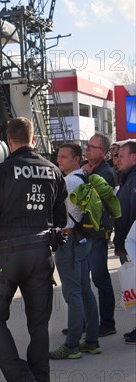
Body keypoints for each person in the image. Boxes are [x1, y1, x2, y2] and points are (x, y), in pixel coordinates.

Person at [0, 117, 67, 382]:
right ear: (32, 138)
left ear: (9, 139)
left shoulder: (3, 171)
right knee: (39, 325)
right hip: (41, 251)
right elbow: (62, 219)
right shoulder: (53, 171)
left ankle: (22, 380)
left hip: (8, 252)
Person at [49, 143, 101, 360]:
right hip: (83, 240)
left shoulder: (69, 181)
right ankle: (92, 341)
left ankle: (72, 346)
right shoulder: (83, 177)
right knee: (85, 290)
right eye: (59, 156)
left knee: (74, 293)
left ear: (76, 159)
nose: (59, 160)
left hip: (70, 241)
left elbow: (69, 217)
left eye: (64, 157)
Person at [82, 133, 116, 337]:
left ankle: (107, 323)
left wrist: (83, 177)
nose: (87, 149)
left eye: (91, 147)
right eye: (86, 146)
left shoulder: (106, 173)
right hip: (85, 233)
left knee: (100, 278)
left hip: (97, 233)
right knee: (82, 280)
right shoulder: (88, 169)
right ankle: (86, 322)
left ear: (102, 152)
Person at [113, 140, 136, 345]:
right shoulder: (127, 179)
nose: (117, 159)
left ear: (134, 157)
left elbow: (131, 216)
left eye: (121, 155)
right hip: (128, 244)